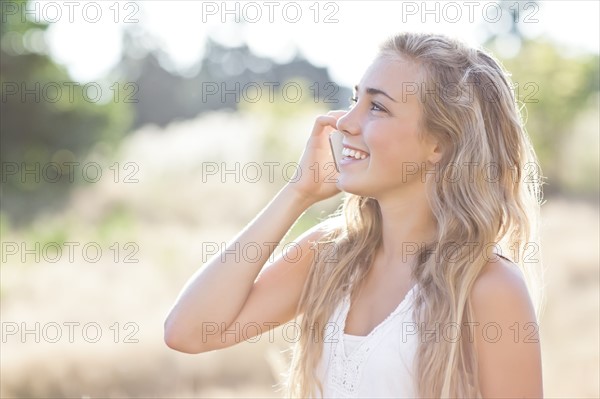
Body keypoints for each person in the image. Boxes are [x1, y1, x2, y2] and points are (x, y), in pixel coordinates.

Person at [164, 32, 545, 398]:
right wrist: (297, 194)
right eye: (355, 99)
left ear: (439, 144)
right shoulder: (329, 255)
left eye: (377, 107)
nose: (344, 122)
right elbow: (189, 332)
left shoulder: (488, 285)